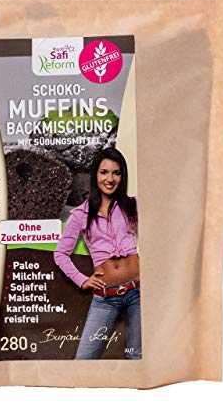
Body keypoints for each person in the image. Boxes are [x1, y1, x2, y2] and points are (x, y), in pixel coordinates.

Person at [54, 147, 141, 360]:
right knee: (84, 360)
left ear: (122, 176)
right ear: (95, 175)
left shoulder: (133, 205)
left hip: (139, 292)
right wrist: (82, 280)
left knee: (136, 357)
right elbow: (60, 254)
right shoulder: (80, 214)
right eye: (104, 172)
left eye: (116, 173)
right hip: (105, 298)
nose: (110, 179)